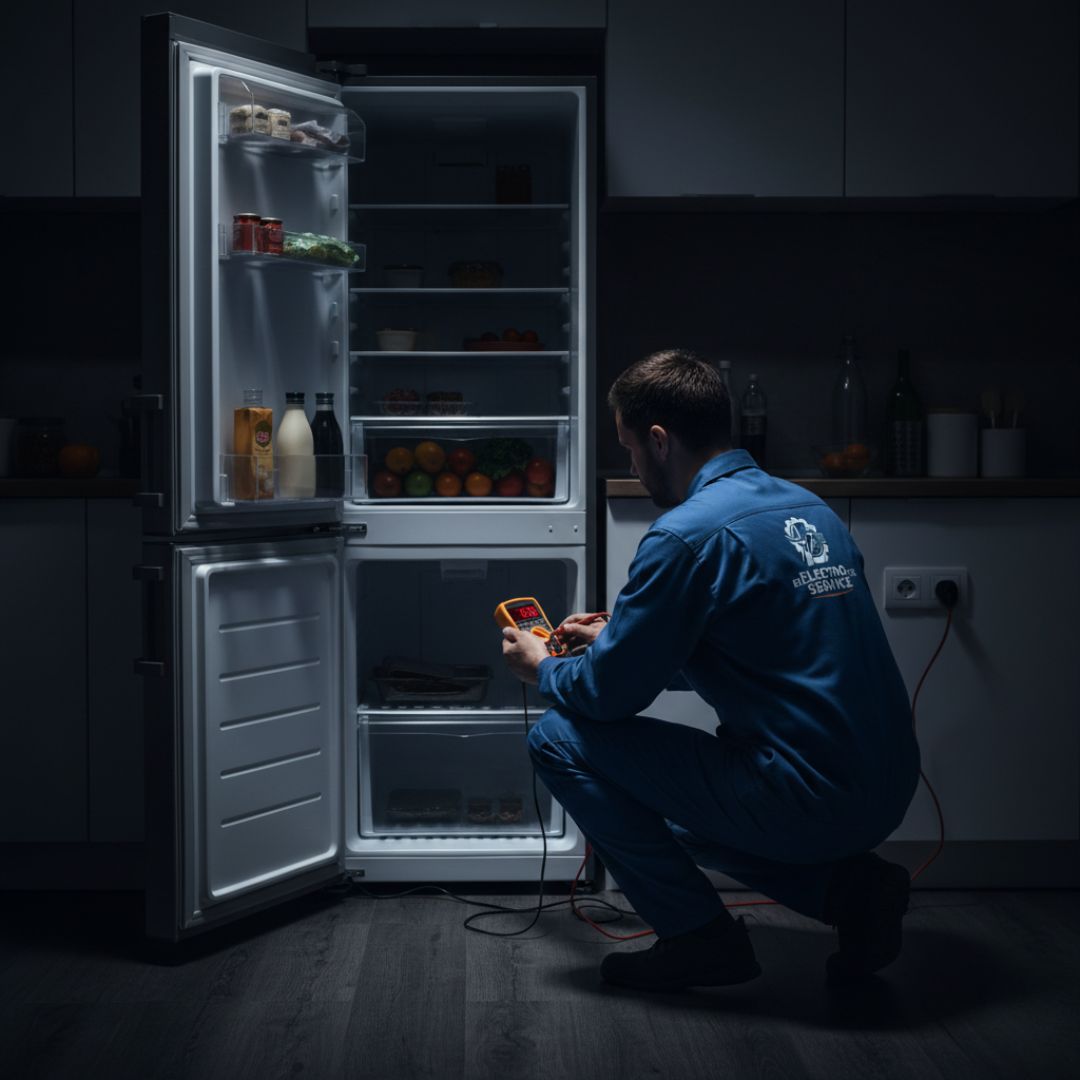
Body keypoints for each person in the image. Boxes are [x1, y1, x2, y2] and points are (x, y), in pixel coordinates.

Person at [500, 348, 920, 992]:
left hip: (810, 797)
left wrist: (542, 668)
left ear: (659, 440)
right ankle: (854, 893)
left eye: (630, 448)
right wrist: (622, 637)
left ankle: (700, 940)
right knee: (660, 810)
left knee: (557, 738)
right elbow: (766, 649)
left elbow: (607, 698)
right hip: (887, 784)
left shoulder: (684, 535)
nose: (632, 466)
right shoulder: (809, 508)